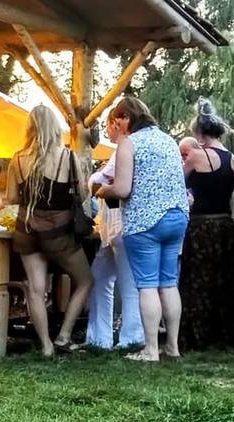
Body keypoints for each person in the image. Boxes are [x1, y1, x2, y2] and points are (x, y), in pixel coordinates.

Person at [98, 97, 190, 362]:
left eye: (117, 121)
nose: (117, 129)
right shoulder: (168, 139)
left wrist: (105, 191)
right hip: (177, 217)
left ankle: (150, 349)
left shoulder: (131, 143)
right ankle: (172, 346)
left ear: (126, 117)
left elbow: (123, 188)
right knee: (169, 283)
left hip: (146, 222)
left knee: (148, 285)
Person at [5, 105, 93, 356]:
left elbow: (11, 197)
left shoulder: (18, 158)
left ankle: (45, 346)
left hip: (27, 229)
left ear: (30, 128)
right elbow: (84, 193)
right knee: (85, 280)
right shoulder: (67, 157)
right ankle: (64, 336)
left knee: (35, 287)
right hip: (59, 233)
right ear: (55, 127)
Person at [178, 98, 234, 351]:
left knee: (196, 280)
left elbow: (178, 182)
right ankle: (228, 332)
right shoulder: (233, 159)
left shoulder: (197, 155)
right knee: (226, 280)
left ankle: (197, 335)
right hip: (226, 227)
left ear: (199, 133)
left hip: (201, 226)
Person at [86, 110, 144, 350]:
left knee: (127, 281)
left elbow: (105, 181)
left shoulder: (126, 148)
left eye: (109, 126)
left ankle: (131, 337)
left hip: (122, 222)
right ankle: (100, 337)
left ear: (117, 124)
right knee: (100, 275)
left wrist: (98, 183)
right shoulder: (122, 150)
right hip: (110, 225)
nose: (107, 131)